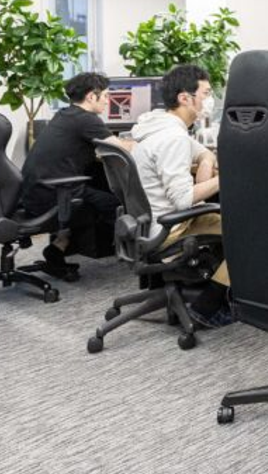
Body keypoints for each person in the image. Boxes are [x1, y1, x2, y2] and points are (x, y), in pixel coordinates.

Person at [131, 64, 229, 325]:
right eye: (206, 93)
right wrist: (228, 177)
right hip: (170, 228)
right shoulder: (173, 138)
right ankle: (208, 308)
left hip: (150, 224)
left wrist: (206, 161)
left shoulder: (159, 127)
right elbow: (184, 200)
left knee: (226, 218)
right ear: (185, 98)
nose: (210, 100)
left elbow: (203, 153)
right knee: (249, 233)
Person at [18, 72, 129, 280]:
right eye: (105, 96)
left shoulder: (66, 114)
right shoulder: (86, 119)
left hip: (36, 190)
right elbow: (122, 149)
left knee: (94, 190)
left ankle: (58, 248)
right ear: (91, 96)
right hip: (53, 194)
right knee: (116, 205)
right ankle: (139, 258)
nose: (108, 101)